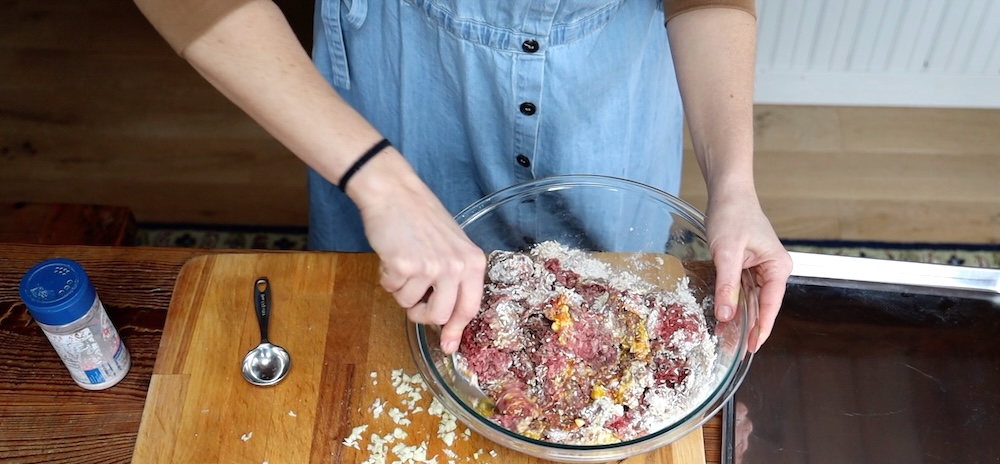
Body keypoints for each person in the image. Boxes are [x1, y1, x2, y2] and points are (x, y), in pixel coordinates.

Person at [133, 0, 793, 353]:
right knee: (381, 337)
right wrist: (379, 179)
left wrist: (733, 182)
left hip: (607, 88)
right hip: (408, 74)